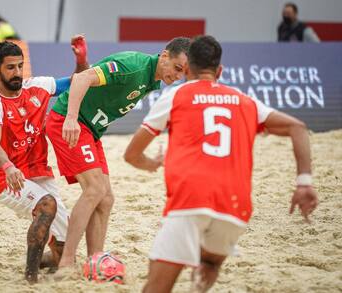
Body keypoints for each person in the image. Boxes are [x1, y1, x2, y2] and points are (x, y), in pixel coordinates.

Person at [124, 35, 319, 293]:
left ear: (188, 69)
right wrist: (304, 182)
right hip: (235, 205)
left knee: (156, 287)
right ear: (220, 71)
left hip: (190, 201)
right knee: (209, 262)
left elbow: (131, 154)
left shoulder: (176, 95)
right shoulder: (243, 99)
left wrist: (150, 163)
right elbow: (298, 127)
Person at [45, 37, 191, 278]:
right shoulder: (132, 66)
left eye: (183, 73)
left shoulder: (152, 79)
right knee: (94, 189)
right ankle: (66, 262)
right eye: (177, 68)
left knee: (106, 198)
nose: (178, 77)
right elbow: (82, 78)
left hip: (91, 130)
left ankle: (95, 260)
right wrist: (71, 117)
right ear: (164, 55)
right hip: (69, 121)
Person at [0, 35, 88, 284]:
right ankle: (30, 279)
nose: (16, 72)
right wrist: (8, 167)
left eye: (20, 65)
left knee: (65, 247)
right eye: (10, 67)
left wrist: (81, 59)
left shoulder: (37, 86)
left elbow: (80, 82)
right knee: (47, 204)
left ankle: (43, 260)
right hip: (9, 179)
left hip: (40, 172)